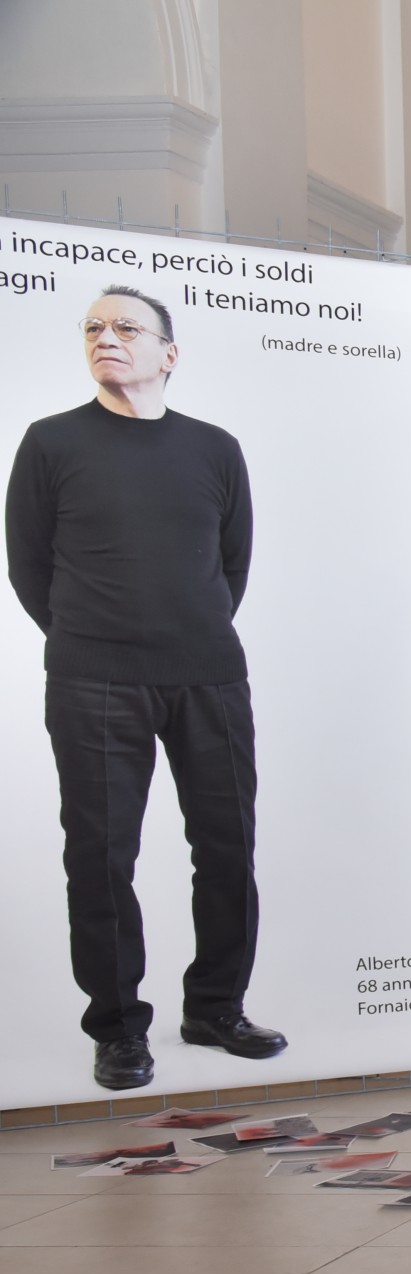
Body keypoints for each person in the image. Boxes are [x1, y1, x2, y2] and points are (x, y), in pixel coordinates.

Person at [7, 285, 286, 1090]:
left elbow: (232, 564)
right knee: (100, 857)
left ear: (169, 353)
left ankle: (216, 1007)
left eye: (127, 326)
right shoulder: (50, 442)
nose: (107, 337)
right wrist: (89, 636)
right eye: (94, 327)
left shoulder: (215, 448)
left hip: (209, 675)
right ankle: (119, 1029)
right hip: (94, 681)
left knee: (228, 846)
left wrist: (188, 629)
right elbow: (28, 565)